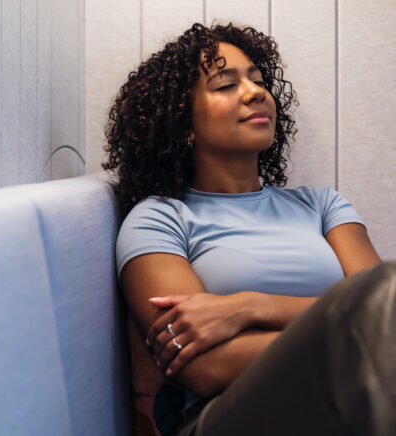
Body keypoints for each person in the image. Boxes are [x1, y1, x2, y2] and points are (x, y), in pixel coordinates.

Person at [104, 22, 393, 435]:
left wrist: (247, 307)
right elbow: (203, 366)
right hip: (224, 416)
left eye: (258, 81)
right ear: (183, 123)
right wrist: (345, 344)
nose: (256, 92)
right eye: (225, 85)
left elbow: (376, 307)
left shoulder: (322, 205)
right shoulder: (160, 219)